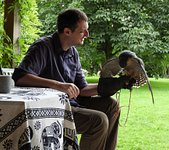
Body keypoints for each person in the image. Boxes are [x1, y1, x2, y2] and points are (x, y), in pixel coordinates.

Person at [12, 8, 121, 150]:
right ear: (67, 31)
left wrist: (116, 83)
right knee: (99, 120)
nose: (87, 34)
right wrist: (58, 85)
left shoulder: (73, 53)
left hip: (71, 104)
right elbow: (20, 77)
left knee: (112, 106)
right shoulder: (42, 47)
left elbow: (82, 89)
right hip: (51, 108)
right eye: (83, 31)